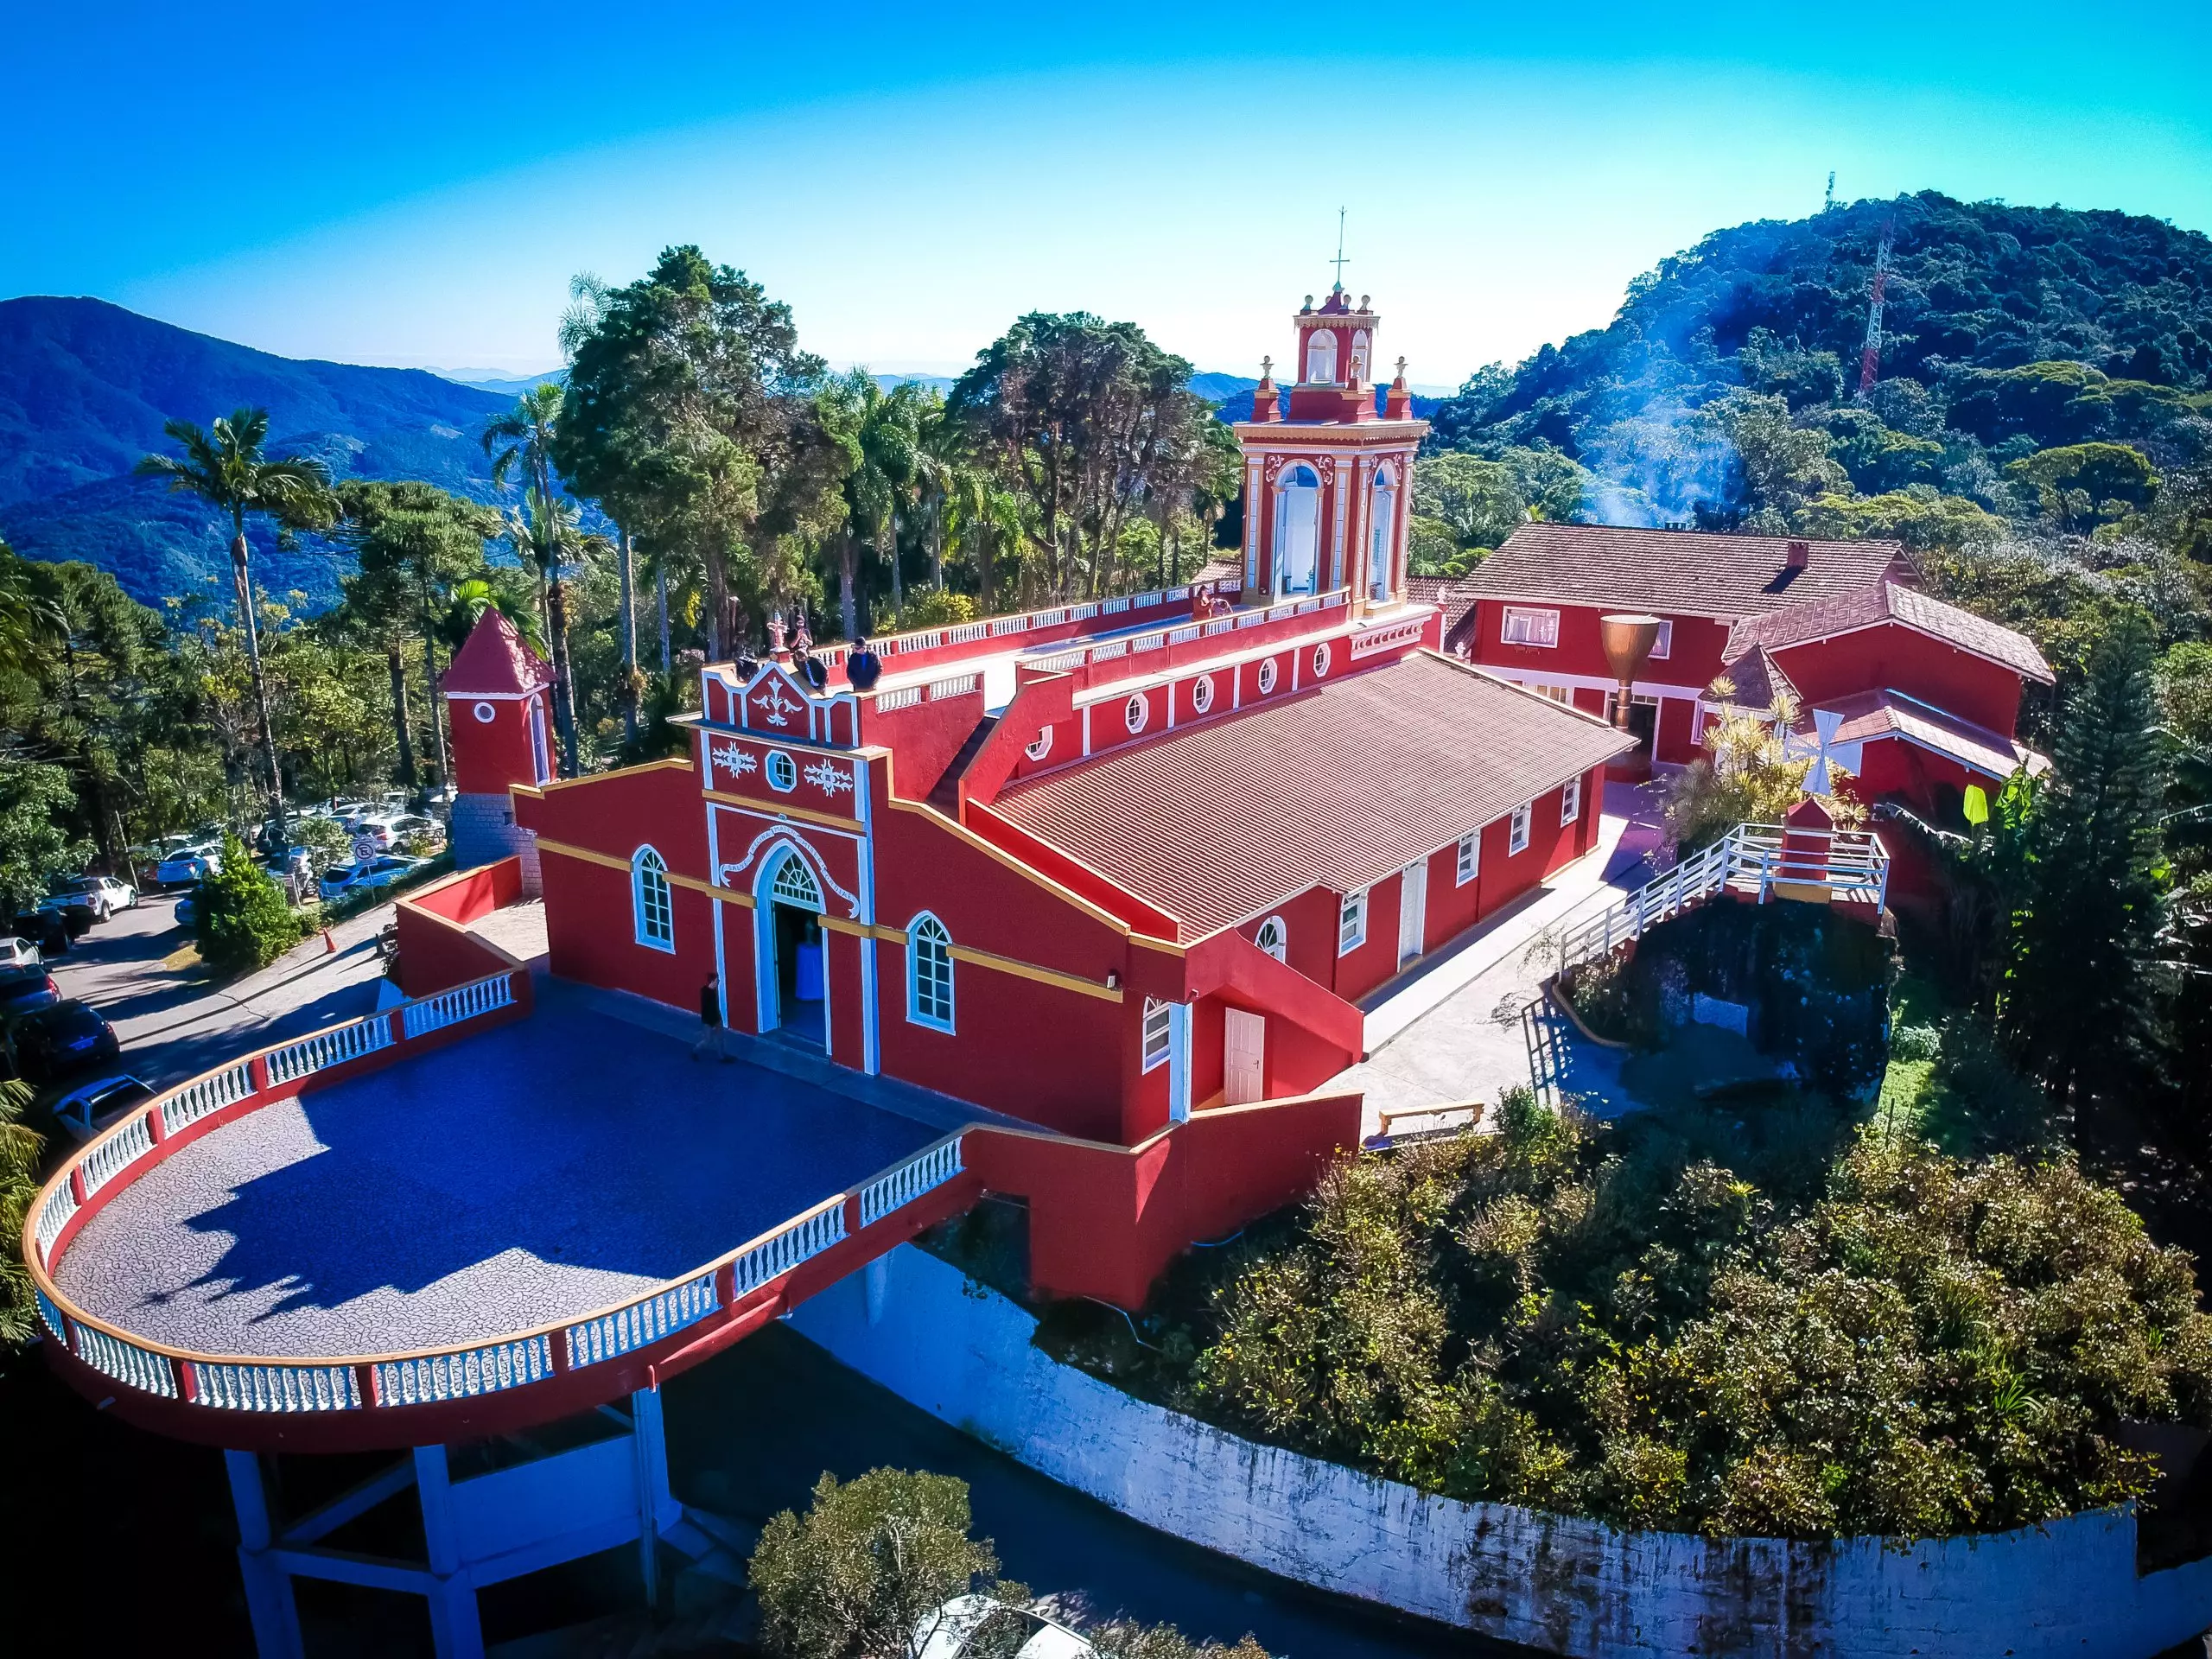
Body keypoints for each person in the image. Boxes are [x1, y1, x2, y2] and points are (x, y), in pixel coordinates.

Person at [692, 973, 734, 1062]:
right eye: (716, 980)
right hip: (711, 1021)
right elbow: (708, 1010)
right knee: (708, 1040)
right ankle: (695, 1051)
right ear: (713, 981)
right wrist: (713, 1024)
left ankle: (721, 1057)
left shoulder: (707, 991)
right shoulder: (709, 995)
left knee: (719, 1038)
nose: (718, 981)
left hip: (714, 1020)